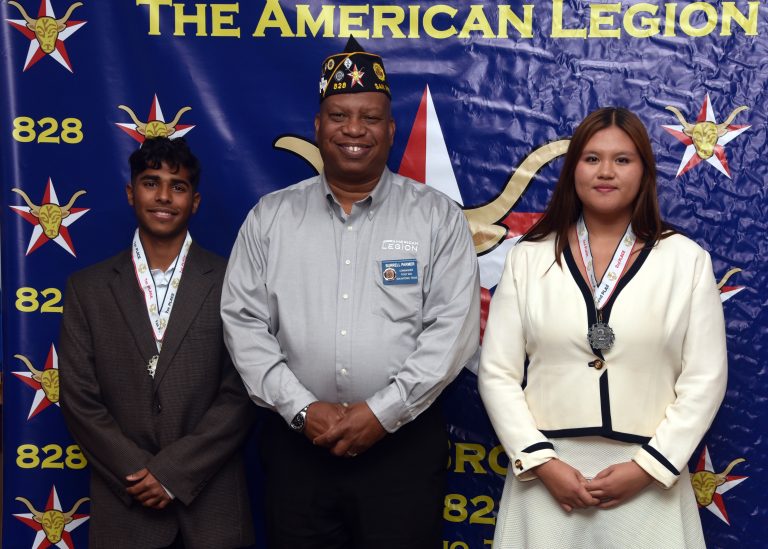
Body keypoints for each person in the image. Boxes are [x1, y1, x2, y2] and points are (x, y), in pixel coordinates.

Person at [221, 37, 480, 549]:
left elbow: (452, 331)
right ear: (318, 127)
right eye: (339, 115)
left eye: (369, 117)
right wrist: (300, 408)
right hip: (298, 449)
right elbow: (243, 323)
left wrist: (382, 413)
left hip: (401, 448)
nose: (354, 130)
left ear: (390, 129)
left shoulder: (436, 217)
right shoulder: (271, 217)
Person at [478, 107, 727, 548]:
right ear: (573, 168)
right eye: (591, 158)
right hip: (548, 477)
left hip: (649, 479)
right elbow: (497, 373)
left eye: (622, 159)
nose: (605, 171)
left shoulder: (686, 260)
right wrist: (542, 462)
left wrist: (649, 467)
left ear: (644, 171)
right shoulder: (528, 257)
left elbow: (705, 379)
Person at [59, 137, 255, 549]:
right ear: (131, 193)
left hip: (212, 505)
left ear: (195, 201)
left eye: (178, 186)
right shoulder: (87, 289)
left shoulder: (232, 281)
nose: (164, 196)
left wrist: (174, 473)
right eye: (151, 183)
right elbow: (79, 399)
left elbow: (240, 392)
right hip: (126, 507)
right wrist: (138, 473)